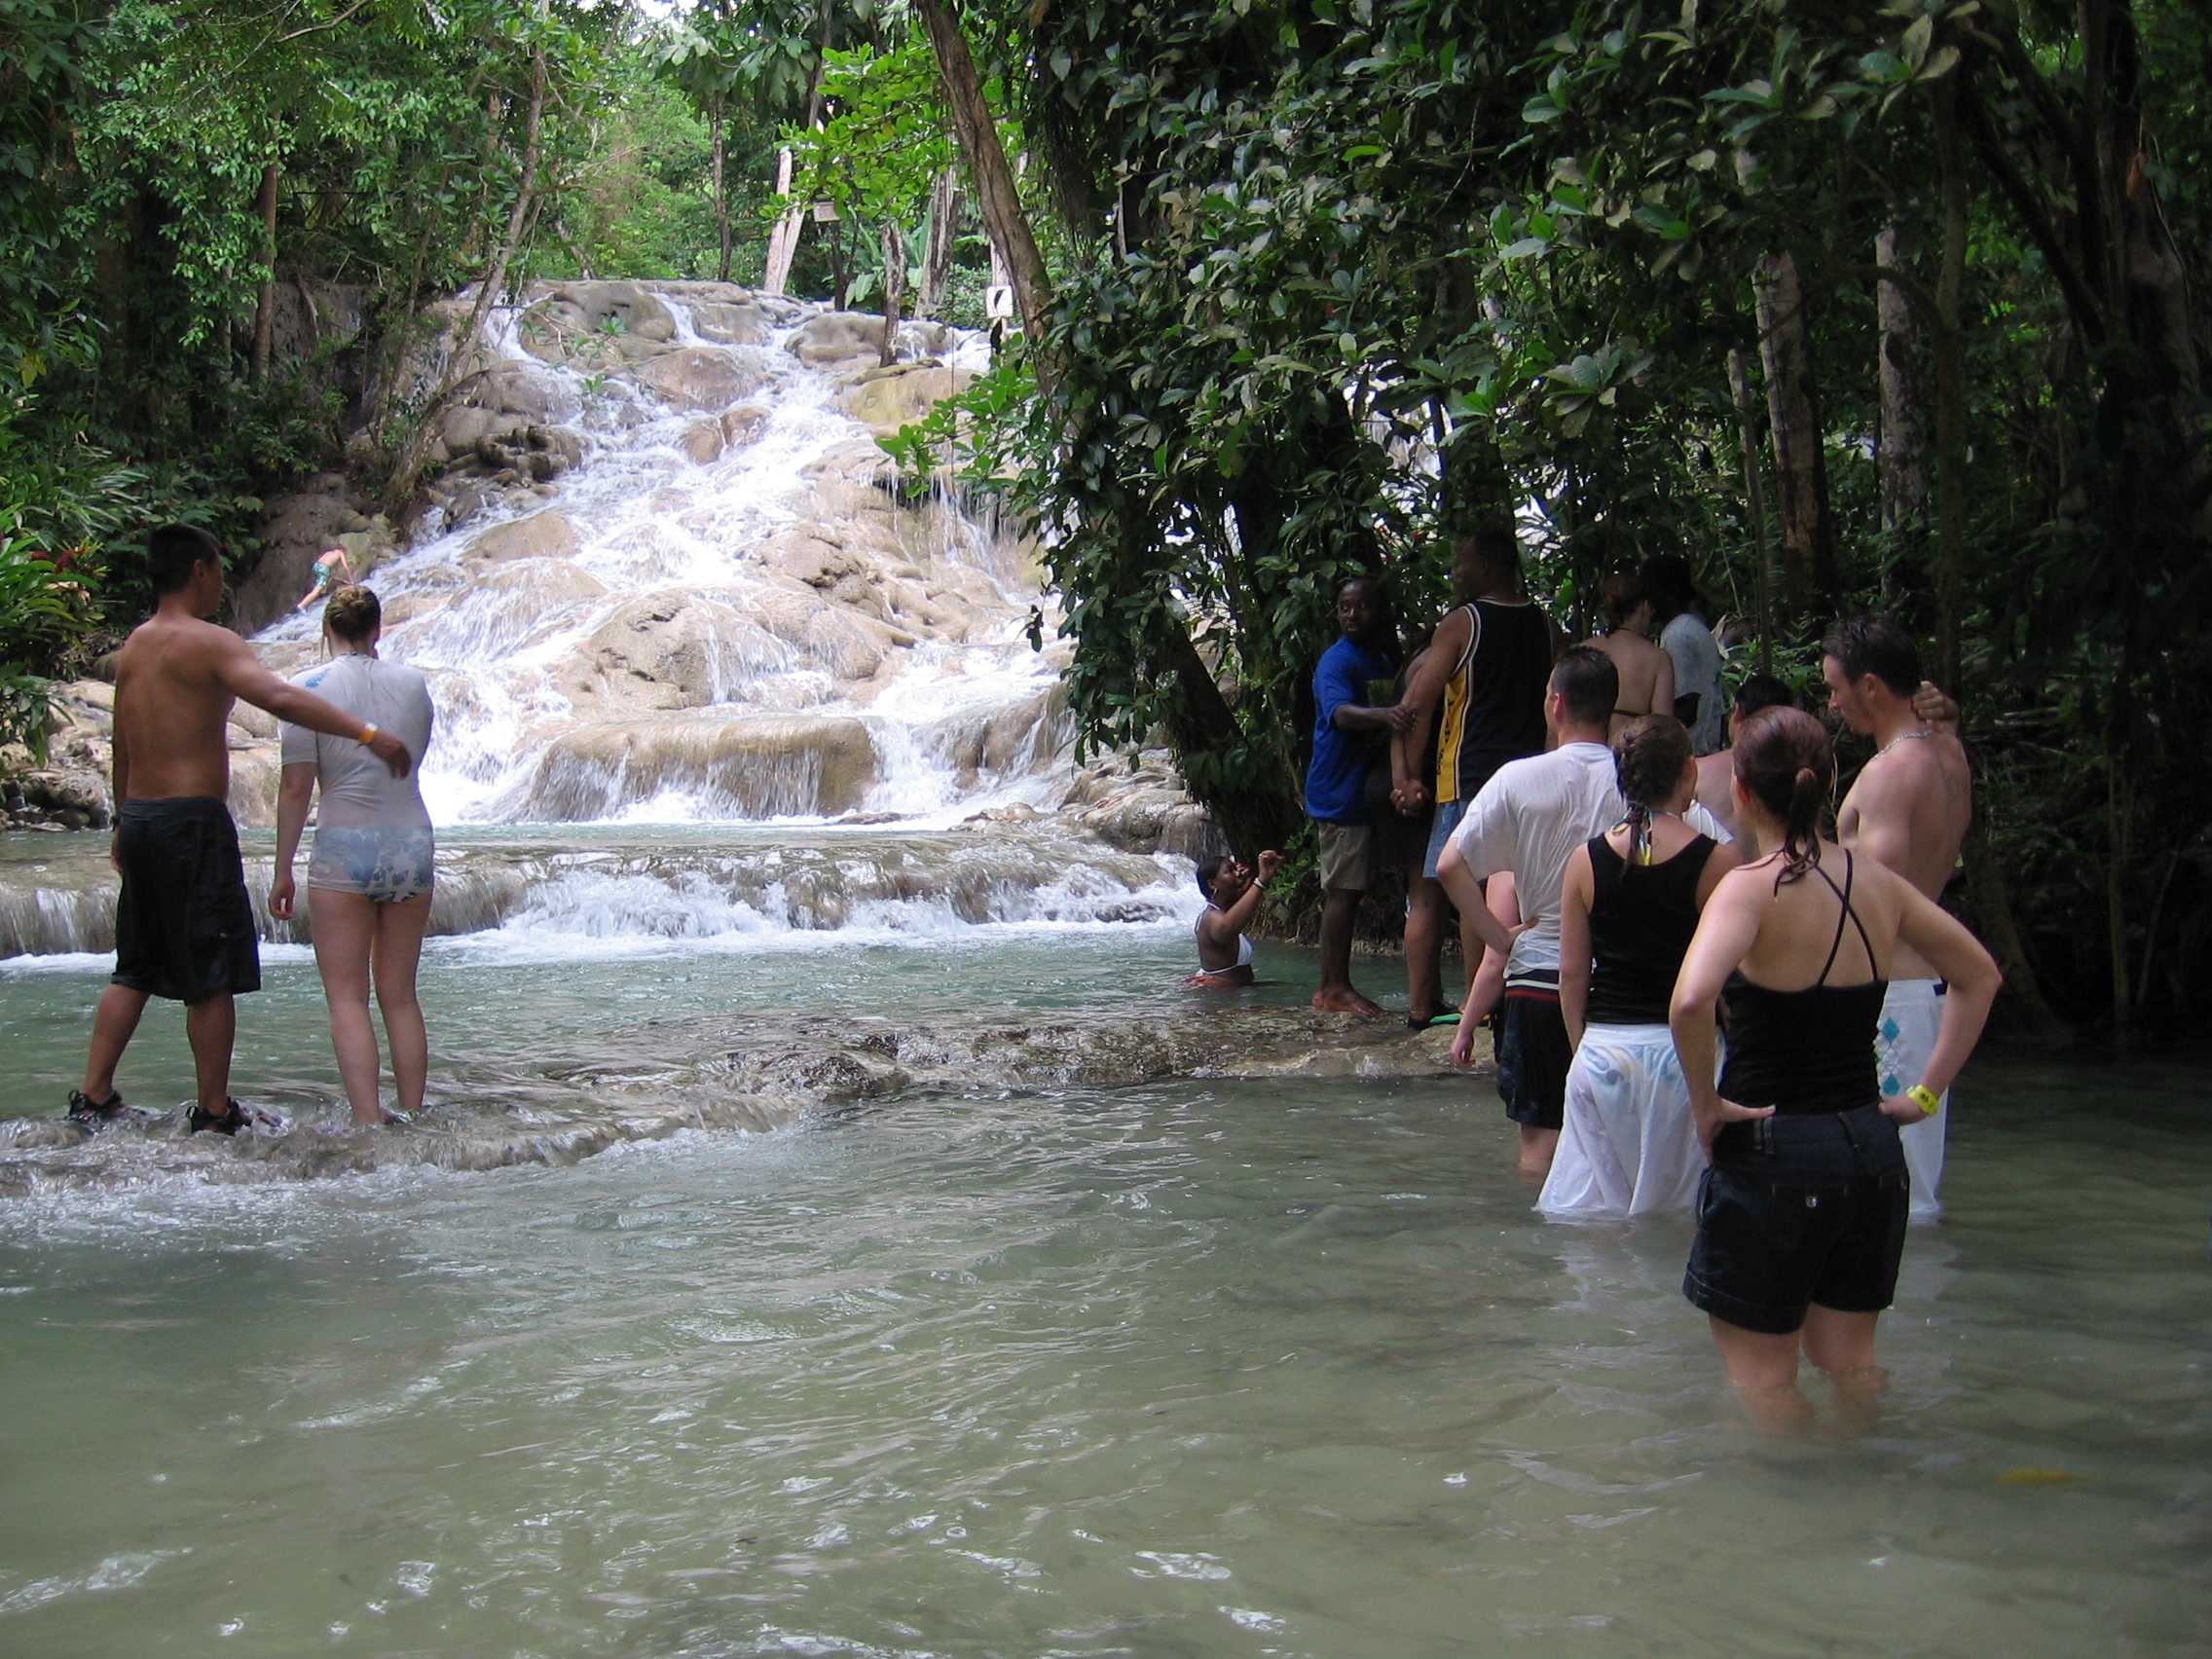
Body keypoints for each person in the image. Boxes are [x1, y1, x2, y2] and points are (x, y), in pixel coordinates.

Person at [1670, 708, 1997, 1423]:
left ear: (1744, 795)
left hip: (1774, 1151)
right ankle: (1876, 1496)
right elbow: (1980, 977)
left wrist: (1705, 1105)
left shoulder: (1749, 887)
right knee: (1851, 1365)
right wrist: (1925, 1095)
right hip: (1871, 1151)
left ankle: (1801, 1523)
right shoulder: (1880, 885)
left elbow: (1691, 1002)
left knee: (1763, 1379)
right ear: (1829, 784)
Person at [65, 525, 415, 1136]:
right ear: (199, 570)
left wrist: (122, 820)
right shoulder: (210, 642)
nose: (222, 578)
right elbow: (280, 699)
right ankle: (216, 1111)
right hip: (189, 824)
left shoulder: (138, 644)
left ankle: (93, 1095)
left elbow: (122, 741)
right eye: (219, 567)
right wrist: (366, 733)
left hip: (143, 820)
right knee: (211, 969)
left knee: (137, 964)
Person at [1438, 647, 1730, 1178]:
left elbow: (1449, 865)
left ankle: (1548, 1258)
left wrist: (1502, 943)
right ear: (1612, 708)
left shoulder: (1516, 779)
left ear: (1555, 704)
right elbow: (1724, 861)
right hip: (1627, 992)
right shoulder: (1642, 779)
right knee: (1637, 1153)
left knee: (1540, 1147)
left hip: (1538, 982)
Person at [1544, 717, 1741, 1217]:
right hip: (1684, 1056)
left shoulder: (1584, 861)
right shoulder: (1716, 864)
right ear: (1689, 773)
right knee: (1681, 1221)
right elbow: (1728, 981)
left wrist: (1580, 1050)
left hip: (1603, 1051)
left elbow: (1571, 976)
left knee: (1594, 1221)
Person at [270, 585, 439, 1126]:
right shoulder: (414, 685)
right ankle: (414, 1113)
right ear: (377, 631)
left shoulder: (306, 688)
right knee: (401, 996)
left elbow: (297, 788)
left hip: (345, 843)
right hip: (411, 840)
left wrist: (282, 869)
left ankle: (369, 1119)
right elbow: (410, 763)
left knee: (347, 998)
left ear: (327, 631)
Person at [1823, 615, 1974, 1221]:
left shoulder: (1887, 775)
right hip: (1923, 989)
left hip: (1892, 997)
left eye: (1837, 688)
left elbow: (1872, 898)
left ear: (1872, 688)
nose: (1832, 704)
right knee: (1913, 1180)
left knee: (1892, 1189)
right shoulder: (1949, 753)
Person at [1390, 524, 1555, 1025]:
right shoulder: (1545, 626)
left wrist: (1406, 775)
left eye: (1462, 560)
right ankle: (1510, 998)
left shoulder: (1463, 623)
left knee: (1467, 893)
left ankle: (1474, 1006)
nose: (1456, 571)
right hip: (1529, 779)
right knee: (1517, 891)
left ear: (1486, 567)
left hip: (1467, 776)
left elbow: (1415, 703)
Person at [1304, 574, 1408, 1016]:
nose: (1352, 615)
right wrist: (1387, 716)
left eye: (1361, 606)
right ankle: (1333, 989)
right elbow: (1341, 714)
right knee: (1343, 889)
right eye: (1345, 607)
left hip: (1363, 787)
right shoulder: (1336, 662)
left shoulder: (1381, 656)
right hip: (1338, 787)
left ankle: (1334, 985)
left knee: (1355, 886)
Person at [1692, 672, 1796, 841]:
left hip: (1717, 866)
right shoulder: (1797, 771)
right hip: (1784, 865)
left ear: (1738, 712)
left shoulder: (1697, 772)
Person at [1641, 553, 1724, 755]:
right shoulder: (1688, 627)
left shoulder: (1678, 636)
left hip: (1692, 753)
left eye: (1651, 591)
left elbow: (1685, 708)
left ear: (1671, 592)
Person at [1583, 571, 1675, 739]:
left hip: (1585, 753)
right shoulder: (1658, 659)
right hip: (1629, 755)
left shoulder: (1583, 651)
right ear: (1645, 606)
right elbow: (1663, 727)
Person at [1189, 848, 1279, 988]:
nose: (1237, 873)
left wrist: (1248, 878)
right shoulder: (1214, 919)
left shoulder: (1220, 910)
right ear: (1212, 884)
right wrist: (1261, 880)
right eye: (1229, 871)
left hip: (1232, 995)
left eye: (1235, 869)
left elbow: (1242, 900)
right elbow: (1230, 925)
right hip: (1224, 1001)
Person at [294, 545, 353, 613]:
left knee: (321, 586)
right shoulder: (340, 553)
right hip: (324, 569)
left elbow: (329, 572)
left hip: (317, 566)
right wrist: (351, 581)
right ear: (343, 550)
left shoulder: (329, 553)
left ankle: (308, 603)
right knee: (316, 592)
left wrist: (342, 580)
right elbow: (346, 567)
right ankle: (302, 605)